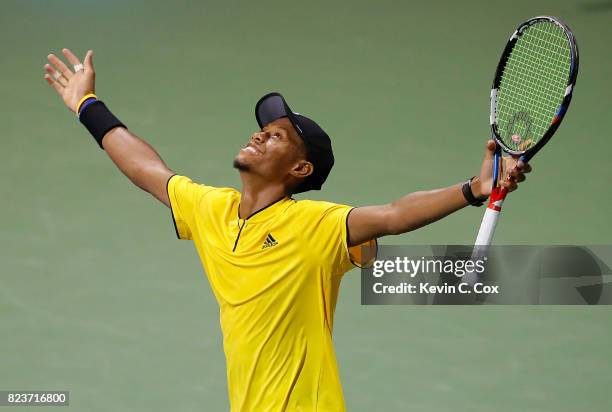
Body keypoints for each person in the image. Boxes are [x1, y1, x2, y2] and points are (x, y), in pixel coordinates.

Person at [43, 48, 531, 411]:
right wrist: (87, 104)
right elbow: (145, 167)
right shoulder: (212, 209)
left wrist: (472, 188)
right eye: (261, 129)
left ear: (300, 170)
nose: (257, 134)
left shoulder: (314, 225)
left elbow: (392, 214)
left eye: (276, 136)